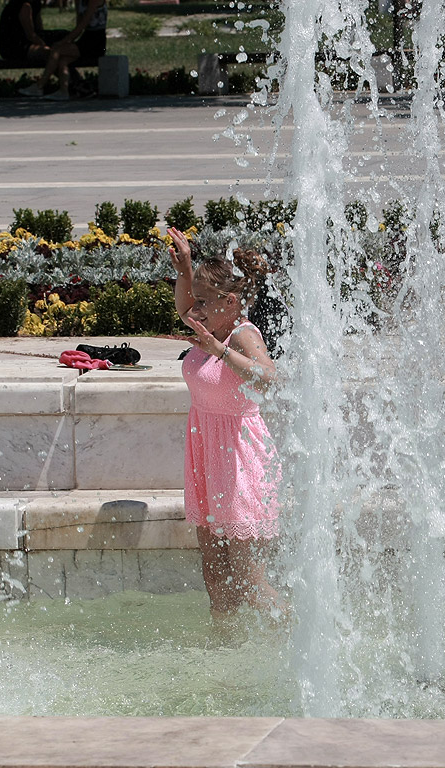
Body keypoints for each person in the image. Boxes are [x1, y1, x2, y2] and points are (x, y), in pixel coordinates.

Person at [167, 227, 287, 630]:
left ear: (230, 302)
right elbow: (184, 306)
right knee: (216, 579)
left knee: (251, 583)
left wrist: (220, 351)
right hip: (206, 455)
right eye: (196, 300)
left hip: (241, 462)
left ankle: (299, 641)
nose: (194, 311)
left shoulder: (242, 334)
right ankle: (224, 655)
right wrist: (184, 268)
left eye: (204, 302)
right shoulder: (210, 325)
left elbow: (269, 379)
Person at [0, 0, 107, 101]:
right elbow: (78, 25)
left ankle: (39, 86)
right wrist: (68, 41)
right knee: (62, 60)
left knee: (56, 50)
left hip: (96, 42)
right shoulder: (79, 1)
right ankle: (65, 91)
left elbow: (81, 26)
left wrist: (63, 42)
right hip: (84, 39)